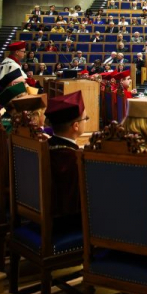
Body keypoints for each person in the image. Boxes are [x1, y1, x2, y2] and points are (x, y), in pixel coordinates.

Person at [44, 91, 87, 228]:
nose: (86, 121)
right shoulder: (74, 159)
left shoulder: (45, 147)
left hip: (42, 217)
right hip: (66, 224)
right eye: (85, 119)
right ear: (76, 126)